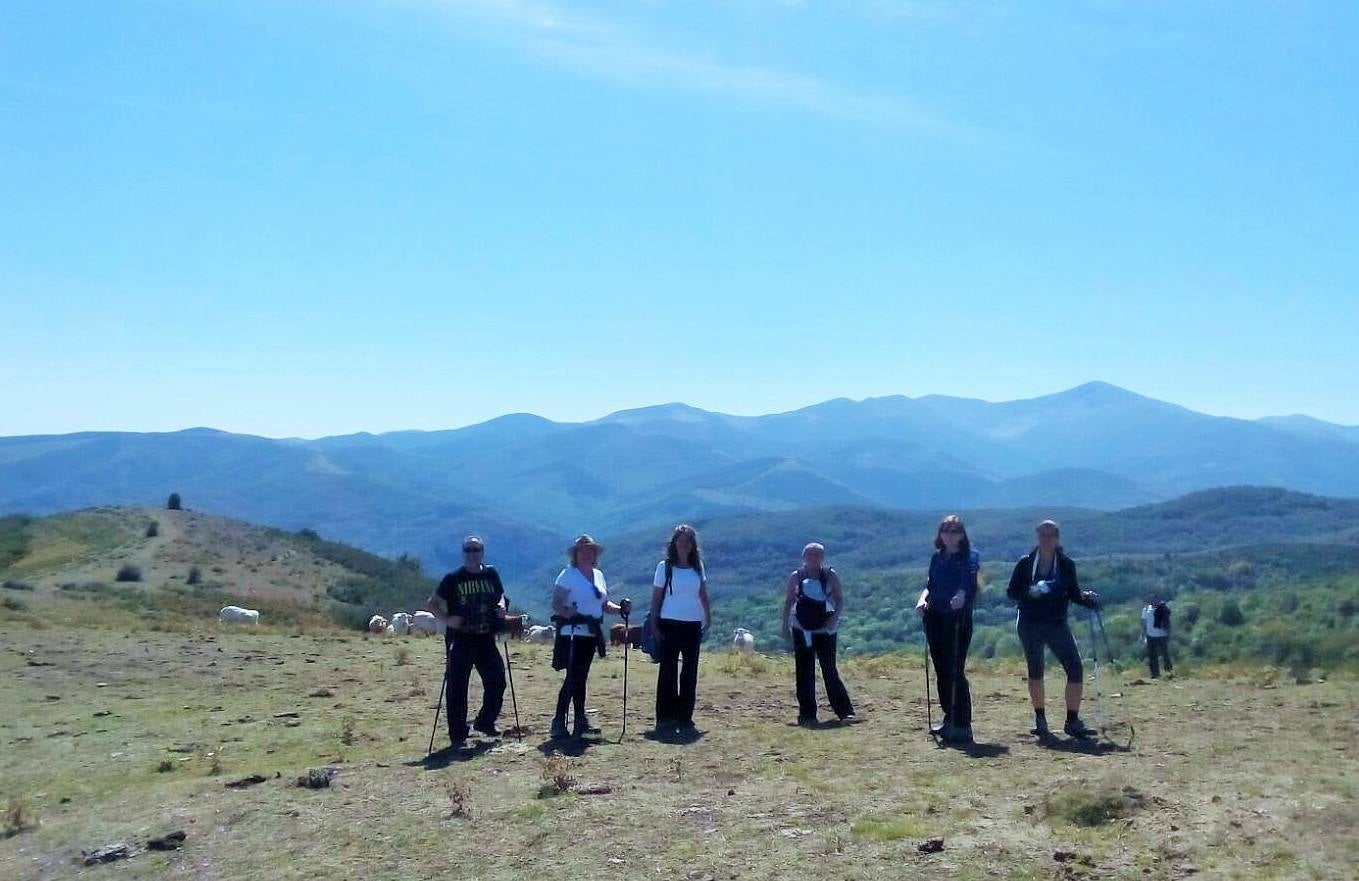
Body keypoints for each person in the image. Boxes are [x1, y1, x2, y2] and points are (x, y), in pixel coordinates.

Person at [1006, 520, 1100, 738]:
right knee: (1036, 669)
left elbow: (1073, 593)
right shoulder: (1025, 563)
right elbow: (1011, 592)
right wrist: (1028, 592)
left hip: (1056, 622)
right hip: (1029, 622)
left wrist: (1087, 599)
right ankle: (1040, 720)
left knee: (1075, 668)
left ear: (1057, 538)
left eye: (1051, 535)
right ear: (1037, 537)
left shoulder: (1066, 564)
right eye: (1043, 535)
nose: (1046, 539)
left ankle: (1072, 721)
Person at [425, 535, 508, 746]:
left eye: (476, 549)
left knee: (497, 681)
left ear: (482, 552)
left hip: (485, 637)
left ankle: (485, 722)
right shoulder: (453, 578)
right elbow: (432, 603)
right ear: (463, 553)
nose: (472, 554)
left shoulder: (491, 574)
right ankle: (458, 733)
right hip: (461, 638)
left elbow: (500, 594)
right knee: (457, 686)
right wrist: (447, 620)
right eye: (468, 550)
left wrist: (501, 606)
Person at [551, 534, 631, 740]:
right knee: (574, 677)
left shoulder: (598, 575)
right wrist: (566, 612)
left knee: (580, 677)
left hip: (590, 634)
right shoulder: (568, 575)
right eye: (582, 551)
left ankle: (578, 720)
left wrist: (620, 609)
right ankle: (560, 721)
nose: (586, 554)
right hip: (572, 633)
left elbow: (604, 604)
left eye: (590, 551)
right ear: (575, 554)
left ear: (595, 554)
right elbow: (556, 603)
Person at [914, 515, 981, 743]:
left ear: (962, 534)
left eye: (955, 531)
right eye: (946, 531)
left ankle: (963, 724)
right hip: (935, 617)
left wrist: (961, 595)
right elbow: (930, 585)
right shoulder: (937, 557)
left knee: (955, 670)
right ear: (940, 534)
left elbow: (969, 581)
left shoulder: (969, 556)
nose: (950, 535)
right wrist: (922, 599)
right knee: (941, 669)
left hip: (958, 620)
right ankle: (948, 717)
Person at [781, 542, 856, 726]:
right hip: (801, 628)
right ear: (803, 557)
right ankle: (807, 715)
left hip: (826, 629)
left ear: (823, 558)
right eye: (810, 555)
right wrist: (784, 625)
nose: (813, 558)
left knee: (829, 670)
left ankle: (845, 712)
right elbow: (789, 601)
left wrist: (834, 619)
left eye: (817, 555)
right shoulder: (796, 577)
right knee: (804, 671)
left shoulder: (830, 575)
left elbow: (839, 599)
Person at [651, 524, 712, 735]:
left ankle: (685, 716)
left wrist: (707, 616)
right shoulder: (665, 567)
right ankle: (665, 717)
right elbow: (656, 597)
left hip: (693, 624)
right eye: (681, 540)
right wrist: (654, 624)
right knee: (668, 671)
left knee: (689, 672)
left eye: (688, 541)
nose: (684, 544)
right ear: (674, 543)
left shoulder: (698, 567)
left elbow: (702, 593)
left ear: (693, 545)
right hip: (669, 623)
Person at [1141, 594, 1174, 679]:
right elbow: (1144, 624)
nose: (1154, 601)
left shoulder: (1163, 608)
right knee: (1152, 656)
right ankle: (1155, 674)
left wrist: (1169, 634)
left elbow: (1168, 622)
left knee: (1165, 655)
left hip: (1162, 635)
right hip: (1150, 636)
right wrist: (1143, 636)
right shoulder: (1146, 609)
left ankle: (1169, 672)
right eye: (1153, 599)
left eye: (1156, 599)